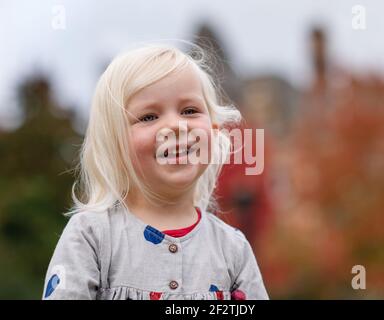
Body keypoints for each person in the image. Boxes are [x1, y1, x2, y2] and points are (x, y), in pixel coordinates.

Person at [42, 43, 269, 300]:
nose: (175, 125)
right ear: (114, 143)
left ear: (215, 131)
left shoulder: (233, 250)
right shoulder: (92, 236)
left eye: (190, 111)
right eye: (149, 117)